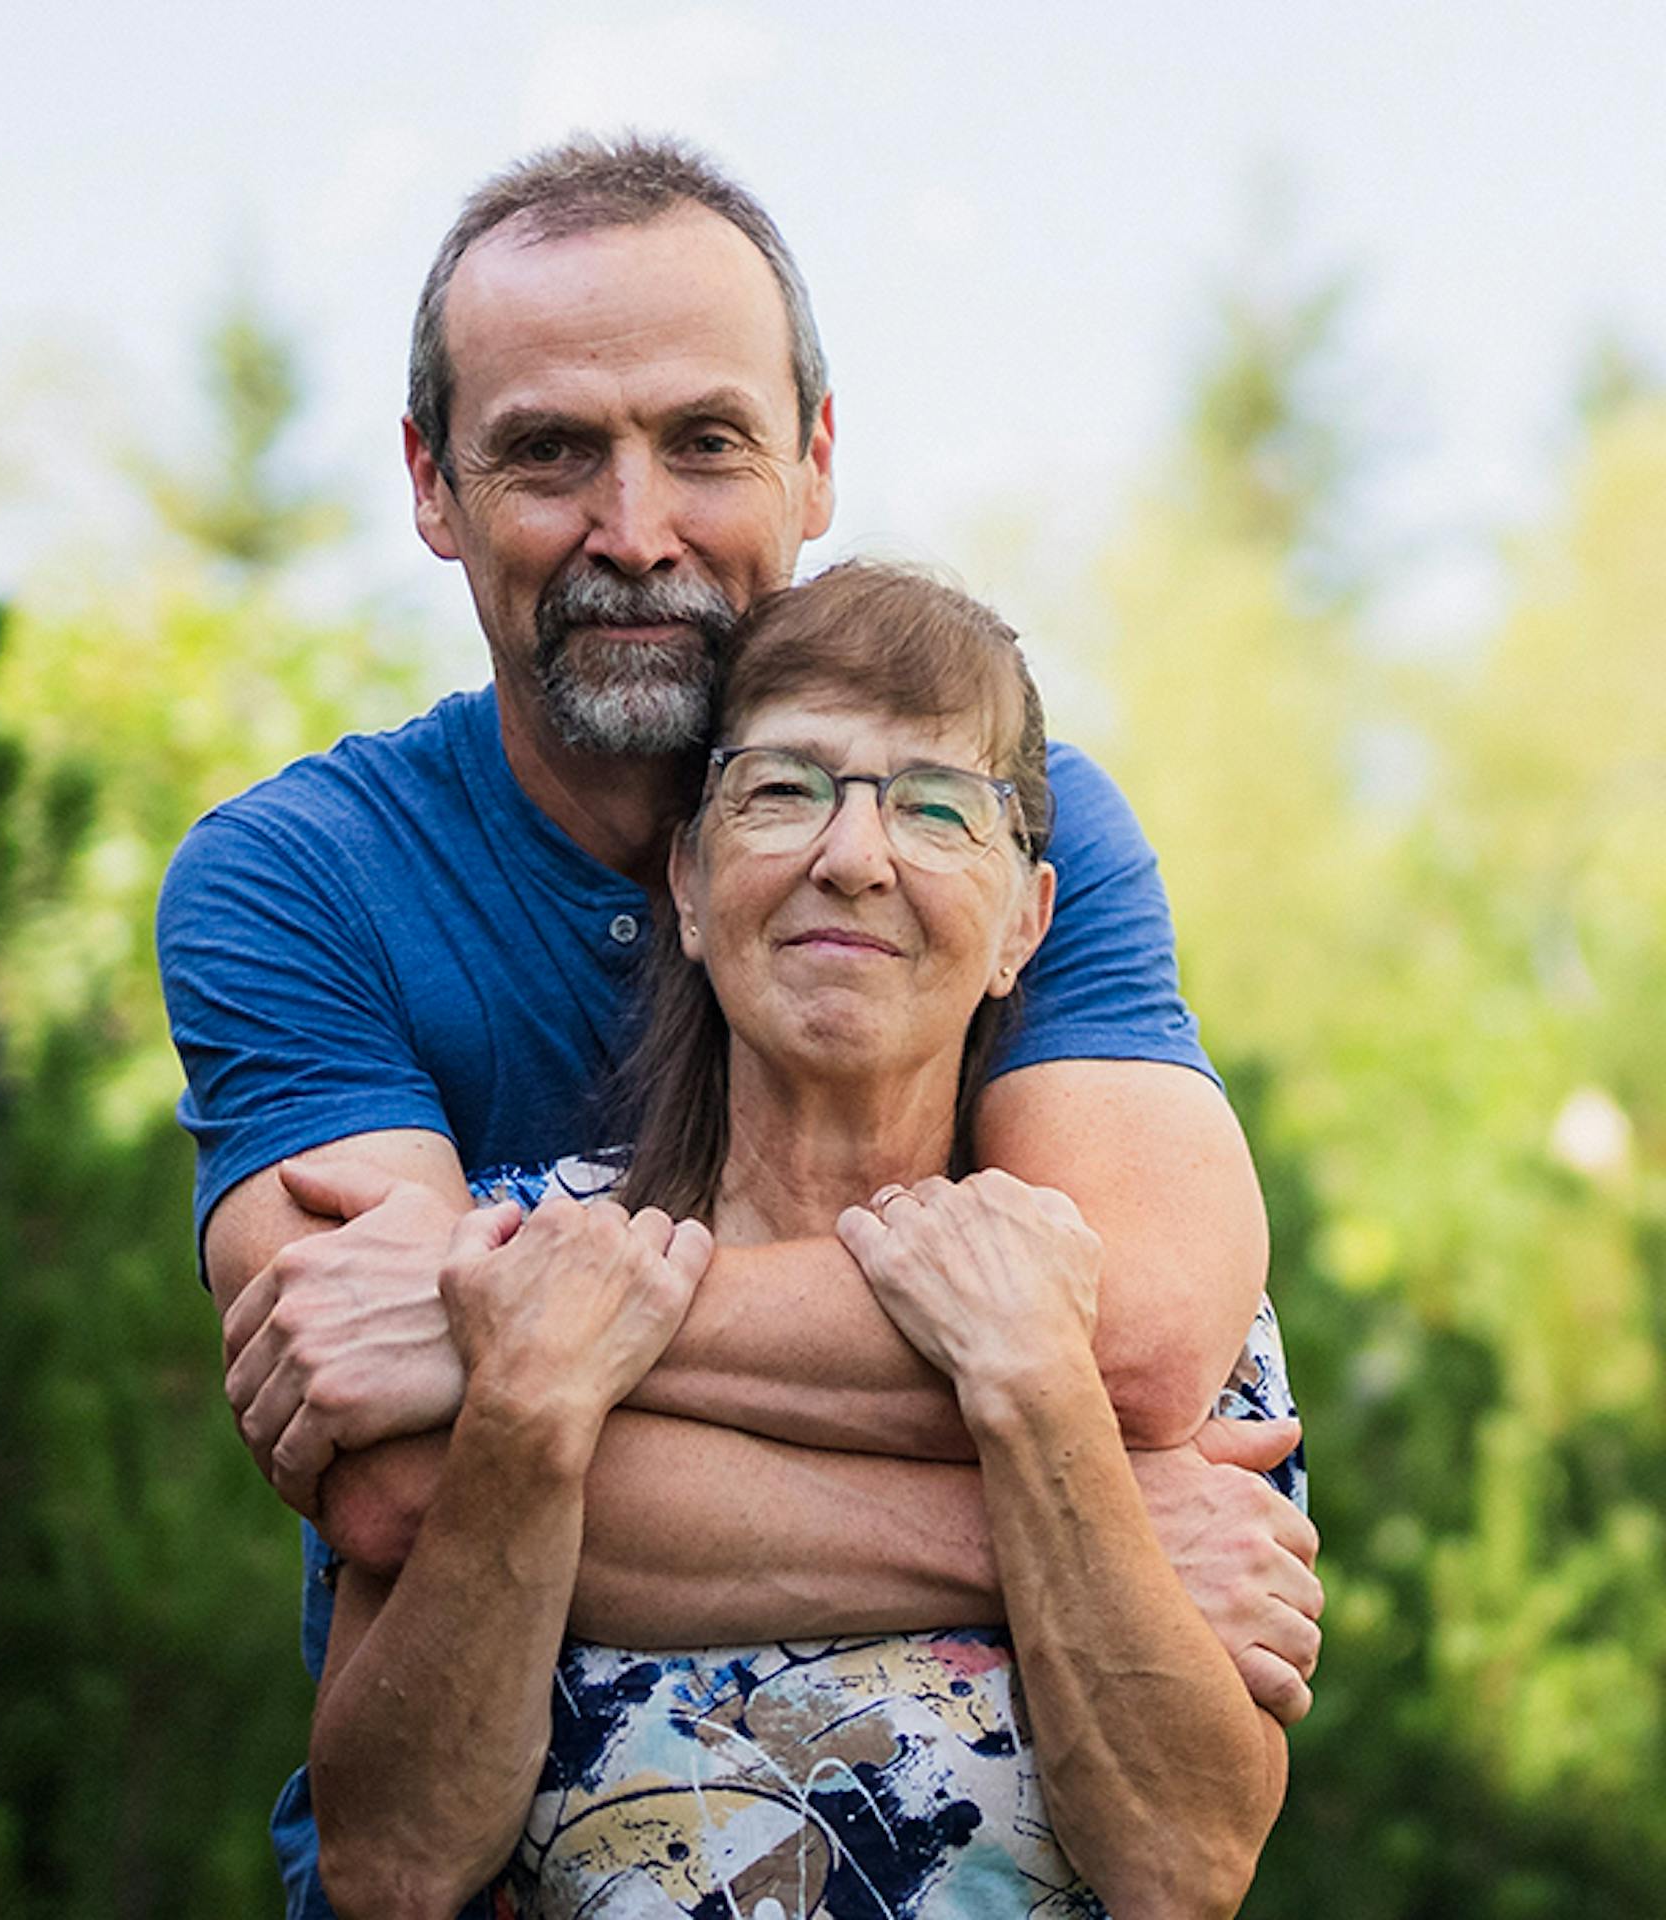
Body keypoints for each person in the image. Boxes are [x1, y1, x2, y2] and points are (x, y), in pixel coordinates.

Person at [155, 134, 1321, 1918]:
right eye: (550, 453)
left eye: (706, 441)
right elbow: (395, 1487)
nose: (638, 531)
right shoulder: (299, 878)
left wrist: (495, 1314)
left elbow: (1148, 1340)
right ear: (433, 484)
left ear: (817, 457)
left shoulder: (1012, 815)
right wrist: (1070, 1536)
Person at [308, 563, 1287, 1918]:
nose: (855, 855)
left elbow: (1184, 1865)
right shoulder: (519, 1254)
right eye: (783, 790)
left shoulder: (1102, 1286)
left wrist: (1039, 1395)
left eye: (938, 807)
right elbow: (389, 1865)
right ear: (693, 889)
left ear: (1025, 925)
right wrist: (532, 1407)